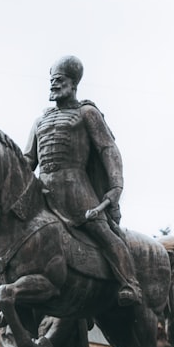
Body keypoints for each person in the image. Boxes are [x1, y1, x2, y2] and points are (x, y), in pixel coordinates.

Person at [25, 55, 141, 306]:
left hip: (77, 189)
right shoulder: (40, 121)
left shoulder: (86, 113)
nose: (54, 85)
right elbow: (28, 160)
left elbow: (108, 149)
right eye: (52, 80)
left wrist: (116, 187)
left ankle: (129, 283)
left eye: (60, 80)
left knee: (104, 233)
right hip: (44, 191)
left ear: (73, 83)